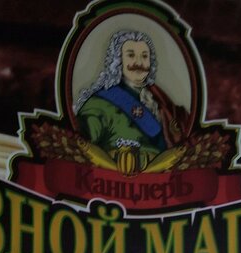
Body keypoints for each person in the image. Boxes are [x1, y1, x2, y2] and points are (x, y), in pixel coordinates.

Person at [73, 29, 190, 171]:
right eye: (131, 55)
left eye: (144, 56)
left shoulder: (161, 100)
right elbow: (80, 142)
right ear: (118, 60)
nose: (139, 62)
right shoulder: (99, 103)